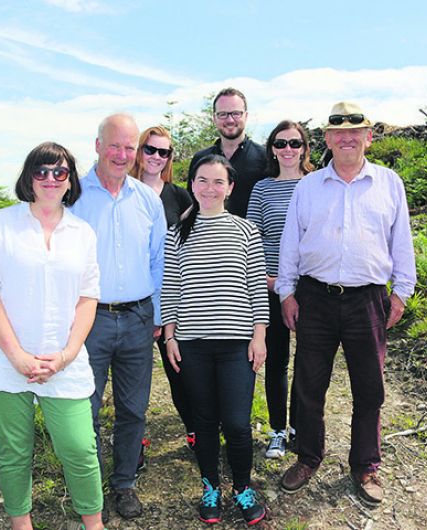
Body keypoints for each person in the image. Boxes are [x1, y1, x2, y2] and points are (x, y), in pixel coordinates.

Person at [276, 102, 417, 505]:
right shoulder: (308, 187)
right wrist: (287, 291)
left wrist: (401, 292)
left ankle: (365, 464)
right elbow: (290, 242)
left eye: (356, 132)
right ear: (328, 139)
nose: (347, 139)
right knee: (308, 385)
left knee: (369, 388)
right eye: (339, 134)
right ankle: (308, 457)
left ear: (368, 137)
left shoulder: (389, 184)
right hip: (315, 298)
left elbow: (401, 242)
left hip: (367, 300)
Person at [0, 142, 104, 530]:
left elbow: (88, 297)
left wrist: (68, 354)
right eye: (42, 172)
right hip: (2, 358)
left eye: (60, 172)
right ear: (29, 178)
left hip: (63, 359)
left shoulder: (82, 233)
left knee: (79, 447)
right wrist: (17, 356)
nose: (51, 179)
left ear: (71, 179)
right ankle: (21, 524)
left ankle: (94, 524)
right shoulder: (0, 224)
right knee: (14, 450)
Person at [162, 154, 269, 526]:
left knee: (238, 423)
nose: (210, 188)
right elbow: (171, 288)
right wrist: (171, 336)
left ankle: (242, 488)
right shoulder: (176, 232)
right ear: (192, 185)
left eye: (218, 182)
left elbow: (257, 286)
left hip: (237, 344)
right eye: (203, 180)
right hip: (192, 344)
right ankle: (210, 486)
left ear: (230, 188)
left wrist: (260, 337)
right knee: (205, 421)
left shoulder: (246, 230)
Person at [70, 113, 167, 520]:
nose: (122, 154)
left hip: (138, 318)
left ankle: (124, 483)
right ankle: (88, 485)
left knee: (133, 408)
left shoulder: (147, 199)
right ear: (96, 146)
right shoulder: (73, 196)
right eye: (115, 145)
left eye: (130, 147)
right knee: (84, 407)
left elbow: (158, 260)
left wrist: (159, 316)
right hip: (88, 320)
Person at [246, 120, 314, 459]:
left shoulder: (317, 185)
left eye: (295, 143)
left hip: (312, 289)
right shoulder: (262, 189)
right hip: (270, 285)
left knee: (309, 362)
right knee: (276, 361)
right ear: (272, 148)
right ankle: (277, 429)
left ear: (304, 148)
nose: (288, 150)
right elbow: (253, 239)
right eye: (281, 143)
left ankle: (301, 427)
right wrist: (272, 281)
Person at [130, 125, 195, 450]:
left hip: (172, 299)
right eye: (150, 149)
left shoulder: (179, 195)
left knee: (180, 369)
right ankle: (134, 443)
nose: (156, 157)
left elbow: (193, 247)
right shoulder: (122, 191)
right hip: (132, 301)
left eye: (164, 152)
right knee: (134, 379)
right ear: (139, 151)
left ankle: (196, 432)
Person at [189, 87, 267, 217]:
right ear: (214, 118)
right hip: (208, 235)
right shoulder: (200, 159)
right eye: (223, 114)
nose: (230, 120)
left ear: (246, 116)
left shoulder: (265, 158)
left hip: (253, 236)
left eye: (236, 113)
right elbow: (193, 205)